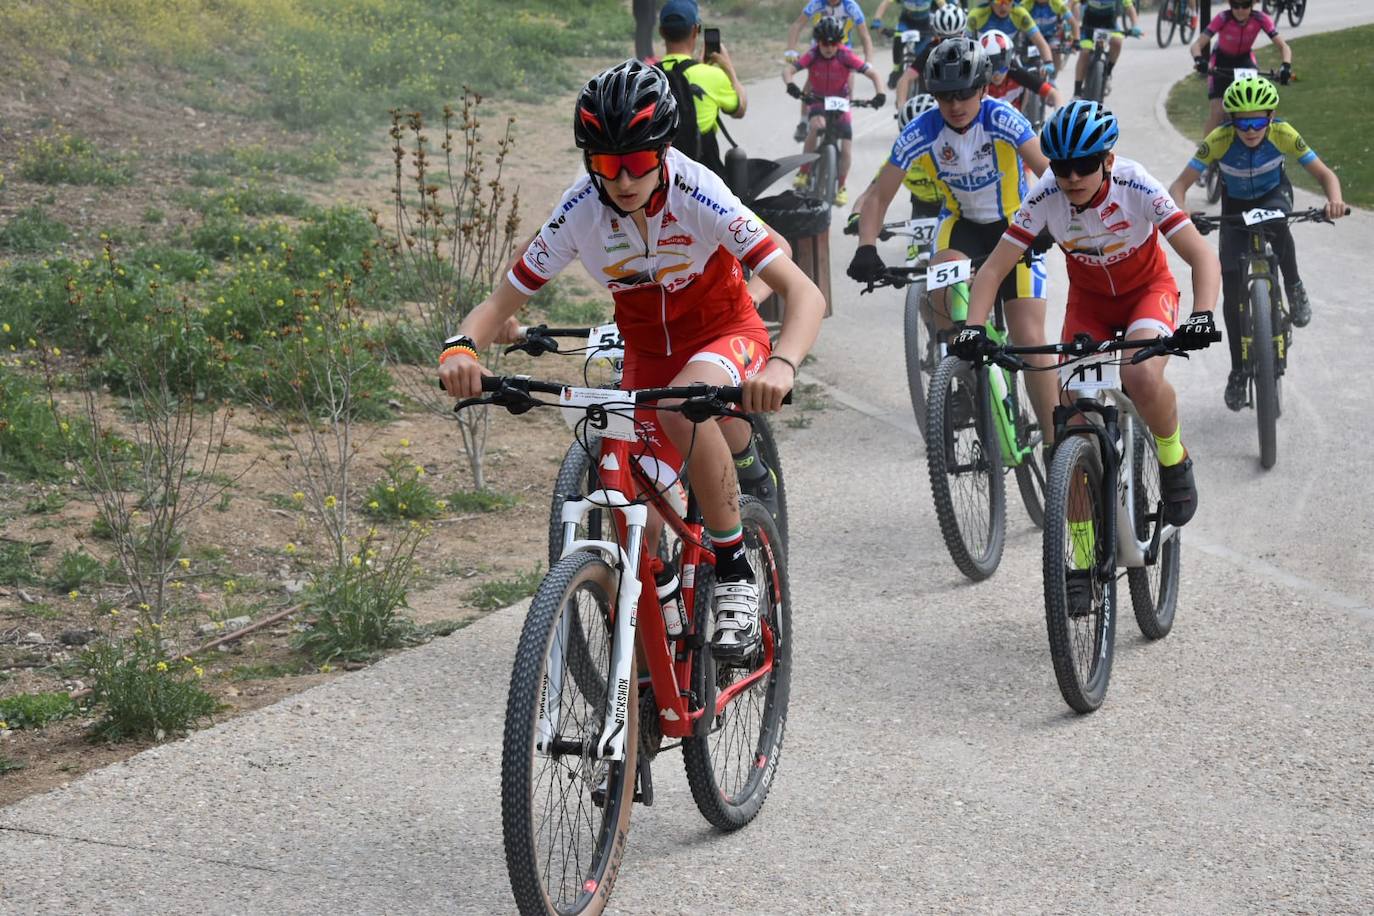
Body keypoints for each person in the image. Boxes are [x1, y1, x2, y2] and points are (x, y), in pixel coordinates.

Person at [438, 61, 826, 659]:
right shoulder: (580, 209)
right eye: (606, 162)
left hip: (725, 331)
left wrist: (784, 365)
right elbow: (497, 305)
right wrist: (460, 348)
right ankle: (658, 607)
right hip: (647, 352)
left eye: (639, 161)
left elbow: (805, 293)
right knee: (630, 490)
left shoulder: (699, 191)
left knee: (679, 409)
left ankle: (734, 570)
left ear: (664, 151)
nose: (622, 179)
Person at [952, 100, 1220, 538]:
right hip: (1090, 304)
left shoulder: (1136, 184)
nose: (1072, 177)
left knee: (1140, 376)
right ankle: (1078, 556)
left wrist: (1202, 315)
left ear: (1107, 160)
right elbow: (995, 268)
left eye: (1084, 165)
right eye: (1062, 167)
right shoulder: (1046, 194)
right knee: (1069, 428)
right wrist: (973, 328)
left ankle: (1173, 456)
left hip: (1146, 293)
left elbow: (1201, 255)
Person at [848, 37, 1060, 445]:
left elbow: (1049, 172)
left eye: (964, 93)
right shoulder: (922, 130)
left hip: (1014, 225)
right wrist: (866, 247)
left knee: (1030, 341)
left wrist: (1048, 223)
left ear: (983, 88)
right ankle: (963, 379)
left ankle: (1054, 441)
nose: (955, 104)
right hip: (961, 225)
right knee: (941, 291)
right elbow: (878, 195)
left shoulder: (1003, 118)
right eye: (945, 96)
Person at [1165, 76, 1346, 410]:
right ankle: (1238, 370)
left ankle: (1294, 286)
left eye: (1258, 122)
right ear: (1230, 120)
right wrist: (1183, 210)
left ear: (1271, 116)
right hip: (1235, 205)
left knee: (1277, 223)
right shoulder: (1219, 140)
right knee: (1232, 290)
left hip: (1274, 194)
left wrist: (1334, 200)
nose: (1250, 130)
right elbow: (1179, 186)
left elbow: (1325, 174)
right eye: (1242, 122)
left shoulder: (1283, 133)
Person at [784, 18, 886, 206]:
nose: (829, 47)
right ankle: (804, 172)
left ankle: (841, 186)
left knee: (846, 147)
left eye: (834, 43)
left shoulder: (846, 55)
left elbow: (873, 74)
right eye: (825, 43)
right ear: (818, 42)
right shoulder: (813, 54)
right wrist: (791, 85)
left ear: (839, 42)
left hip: (840, 101)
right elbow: (788, 70)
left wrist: (880, 94)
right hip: (818, 100)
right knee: (816, 127)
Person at [845, 93, 944, 260]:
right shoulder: (899, 160)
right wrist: (856, 217)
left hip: (953, 208)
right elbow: (870, 195)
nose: (922, 147)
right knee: (918, 261)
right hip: (922, 208)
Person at [658, 0, 748, 177]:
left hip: (661, 175)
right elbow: (740, 110)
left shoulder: (648, 75)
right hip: (702, 176)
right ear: (695, 30)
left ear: (661, 32)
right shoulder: (713, 75)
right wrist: (729, 68)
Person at [1190, 0, 1291, 136]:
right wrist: (1199, 60)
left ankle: (1265, 143)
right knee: (1218, 112)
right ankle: (1205, 148)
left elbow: (1284, 46)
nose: (1240, 10)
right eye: (1235, 5)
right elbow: (1196, 45)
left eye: (1245, 5)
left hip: (1245, 61)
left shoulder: (1260, 19)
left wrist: (1286, 66)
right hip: (1221, 61)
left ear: (1252, 4)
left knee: (1261, 106)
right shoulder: (1223, 18)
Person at [785, 0, 875, 142]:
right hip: (820, 45)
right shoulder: (817, 3)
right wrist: (790, 49)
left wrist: (868, 61)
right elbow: (797, 25)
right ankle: (803, 121)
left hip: (842, 46)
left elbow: (865, 35)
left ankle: (844, 119)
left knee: (849, 85)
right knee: (812, 82)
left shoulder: (851, 6)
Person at [894, 3, 969, 106]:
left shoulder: (971, 50)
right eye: (944, 38)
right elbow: (905, 80)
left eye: (955, 38)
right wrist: (901, 106)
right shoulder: (930, 50)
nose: (949, 43)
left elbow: (905, 79)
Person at [980, 29, 1064, 111]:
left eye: (1002, 68)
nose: (997, 75)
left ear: (1009, 63)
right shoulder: (978, 81)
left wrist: (1059, 114)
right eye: (991, 69)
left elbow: (1054, 94)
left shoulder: (1016, 72)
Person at [1072, 0, 1142, 98]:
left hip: (1109, 23)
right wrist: (1073, 23)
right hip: (1088, 23)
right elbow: (1074, 4)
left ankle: (1108, 73)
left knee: (1117, 42)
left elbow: (1129, 7)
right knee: (1085, 53)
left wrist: (1135, 25)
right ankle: (1077, 92)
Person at [872, 0, 948, 89]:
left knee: (923, 54)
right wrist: (877, 20)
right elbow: (885, 3)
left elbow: (944, 8)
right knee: (898, 39)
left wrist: (946, 23)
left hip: (925, 25)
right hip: (906, 24)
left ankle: (923, 78)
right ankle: (896, 70)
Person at [969, 0, 1057, 69]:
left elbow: (1040, 42)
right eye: (999, 0)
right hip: (983, 61)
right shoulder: (976, 15)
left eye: (1008, 0)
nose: (1003, 6)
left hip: (1009, 62)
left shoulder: (1020, 14)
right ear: (991, 1)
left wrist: (1048, 62)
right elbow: (964, 43)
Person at [1019, 0, 1079, 74]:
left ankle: (1053, 77)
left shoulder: (1057, 3)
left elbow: (1073, 22)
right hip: (1032, 37)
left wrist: (1076, 41)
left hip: (1051, 35)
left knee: (1056, 51)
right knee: (1025, 59)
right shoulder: (1025, 4)